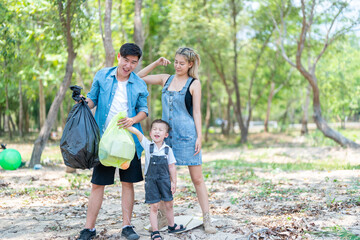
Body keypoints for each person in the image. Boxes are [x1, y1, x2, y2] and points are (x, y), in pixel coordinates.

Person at [137, 47, 217, 234]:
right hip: (166, 137)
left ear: (190, 64)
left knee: (197, 179)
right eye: (175, 62)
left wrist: (199, 136)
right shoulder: (166, 79)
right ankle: (163, 216)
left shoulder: (194, 83)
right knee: (163, 178)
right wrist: (156, 63)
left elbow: (196, 111)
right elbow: (138, 77)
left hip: (188, 135)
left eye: (182, 63)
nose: (177, 66)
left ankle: (207, 219)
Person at [77, 43, 148, 240]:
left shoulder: (139, 84)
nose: (129, 65)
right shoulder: (102, 76)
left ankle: (127, 226)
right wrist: (82, 101)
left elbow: (144, 110)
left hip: (128, 142)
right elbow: (92, 100)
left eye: (134, 62)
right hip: (105, 142)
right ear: (119, 57)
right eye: (126, 60)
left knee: (128, 183)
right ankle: (88, 228)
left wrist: (133, 120)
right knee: (98, 184)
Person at [127, 119, 186, 240]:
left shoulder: (168, 150)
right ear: (150, 133)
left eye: (160, 130)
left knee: (169, 204)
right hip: (151, 182)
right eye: (154, 129)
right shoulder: (148, 145)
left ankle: (171, 226)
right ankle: (155, 231)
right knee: (154, 206)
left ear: (166, 135)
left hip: (165, 181)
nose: (157, 131)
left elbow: (172, 167)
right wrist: (127, 126)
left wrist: (174, 182)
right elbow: (138, 134)